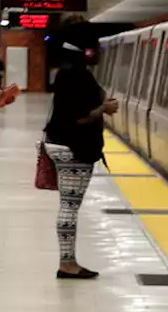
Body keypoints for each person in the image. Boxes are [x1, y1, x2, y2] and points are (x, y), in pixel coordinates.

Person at [42, 43, 117, 280]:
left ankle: (68, 262)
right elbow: (79, 117)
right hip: (73, 149)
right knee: (69, 207)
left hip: (60, 145)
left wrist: (102, 100)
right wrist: (103, 108)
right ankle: (67, 264)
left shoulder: (67, 73)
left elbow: (95, 93)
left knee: (68, 205)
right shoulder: (76, 76)